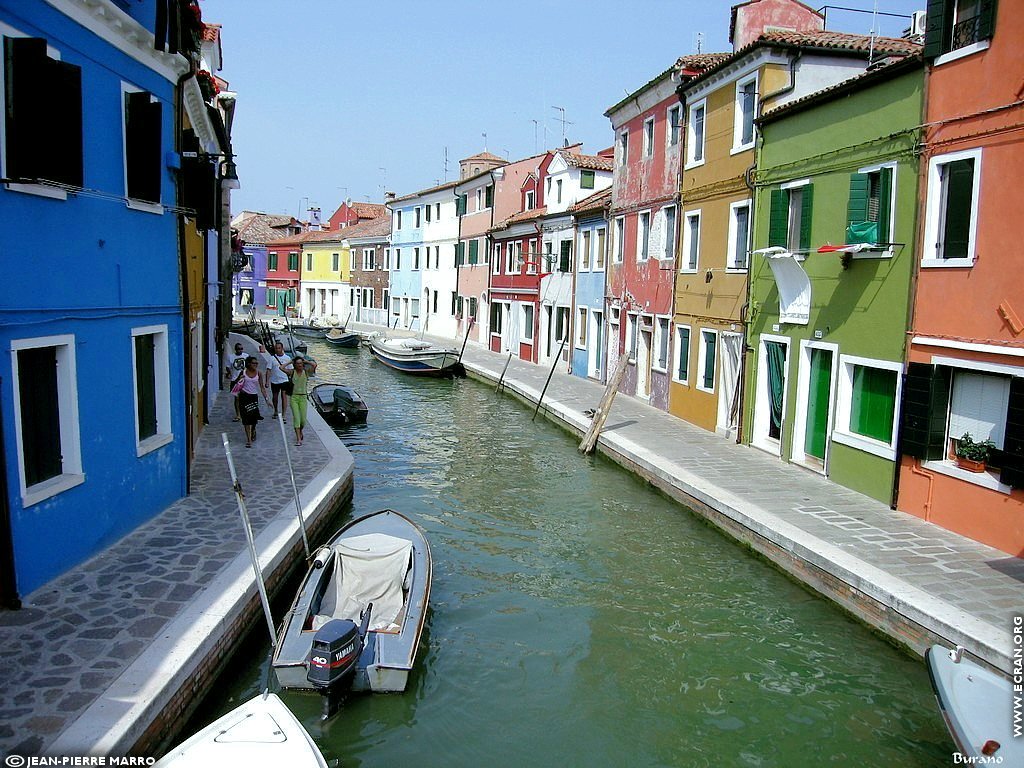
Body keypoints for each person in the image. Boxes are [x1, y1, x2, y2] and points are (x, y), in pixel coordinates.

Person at [232, 356, 270, 447]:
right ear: (249, 364)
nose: (256, 365)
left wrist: (267, 400)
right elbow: (236, 382)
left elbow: (262, 387)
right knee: (246, 418)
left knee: (253, 418)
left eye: (256, 363)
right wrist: (239, 378)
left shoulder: (259, 373)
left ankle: (253, 429)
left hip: (253, 397)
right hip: (244, 396)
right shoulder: (243, 372)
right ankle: (249, 440)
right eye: (254, 363)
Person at [279, 355, 317, 446]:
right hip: (294, 397)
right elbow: (281, 367)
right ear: (295, 365)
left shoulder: (306, 372)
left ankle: (300, 431)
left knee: (303, 420)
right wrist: (290, 362)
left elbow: (314, 365)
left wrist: (306, 361)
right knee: (296, 418)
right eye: (297, 363)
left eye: (301, 363)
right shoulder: (292, 372)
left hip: (303, 397)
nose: (299, 365)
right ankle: (298, 439)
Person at [266, 341, 292, 421]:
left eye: (279, 348)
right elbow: (269, 370)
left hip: (284, 380)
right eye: (276, 348)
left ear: (282, 348)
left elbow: (291, 370)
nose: (277, 349)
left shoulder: (287, 358)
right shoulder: (272, 358)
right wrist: (267, 381)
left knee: (284, 397)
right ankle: (276, 410)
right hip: (274, 381)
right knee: (275, 397)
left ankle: (283, 414)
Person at [224, 341, 247, 422]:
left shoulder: (246, 356)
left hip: (245, 380)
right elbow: (227, 366)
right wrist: (230, 373)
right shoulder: (231, 357)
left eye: (241, 349)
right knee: (237, 398)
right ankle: (238, 414)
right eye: (238, 349)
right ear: (235, 350)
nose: (240, 350)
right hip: (235, 380)